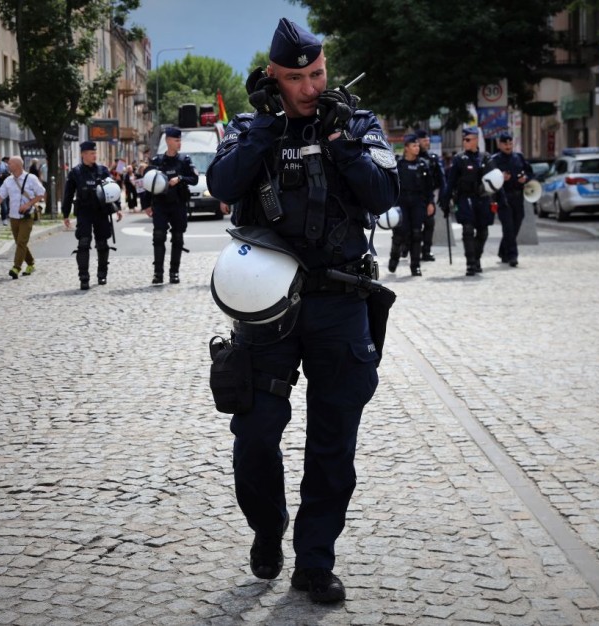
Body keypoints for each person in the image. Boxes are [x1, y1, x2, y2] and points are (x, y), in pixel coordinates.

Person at [205, 18, 399, 604]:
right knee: (256, 433)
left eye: (318, 73)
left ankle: (315, 562)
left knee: (333, 442)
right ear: (274, 78)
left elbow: (386, 196)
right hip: (268, 307)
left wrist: (340, 144)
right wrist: (267, 126)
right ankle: (268, 528)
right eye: (298, 78)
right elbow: (223, 180)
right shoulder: (248, 125)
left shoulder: (357, 122)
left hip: (340, 300)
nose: (312, 86)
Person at [61, 141, 123, 290]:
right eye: (91, 153)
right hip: (84, 212)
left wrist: (118, 208)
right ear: (83, 154)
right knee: (83, 243)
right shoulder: (75, 172)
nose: (94, 155)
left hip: (101, 211)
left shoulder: (103, 171)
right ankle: (84, 277)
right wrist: (65, 214)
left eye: (95, 153)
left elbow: (112, 190)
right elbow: (68, 194)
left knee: (102, 244)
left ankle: (102, 274)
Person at [441, 126, 502, 276]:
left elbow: (495, 180)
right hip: (465, 198)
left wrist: (500, 199)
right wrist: (445, 201)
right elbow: (451, 182)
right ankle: (470, 263)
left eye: (468, 139)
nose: (465, 142)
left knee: (483, 232)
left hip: (482, 199)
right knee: (467, 230)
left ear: (476, 140)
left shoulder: (486, 157)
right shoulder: (459, 159)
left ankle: (477, 258)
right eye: (464, 139)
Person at [143, 127, 199, 284]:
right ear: (168, 141)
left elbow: (194, 179)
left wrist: (180, 178)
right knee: (158, 237)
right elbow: (147, 184)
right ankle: (158, 273)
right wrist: (146, 204)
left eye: (180, 140)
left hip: (178, 204)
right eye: (176, 140)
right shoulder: (157, 162)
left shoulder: (184, 161)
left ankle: (174, 272)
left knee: (178, 238)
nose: (179, 143)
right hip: (160, 204)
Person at [0, 156, 45, 279]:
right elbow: (1, 195)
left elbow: (41, 193)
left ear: (18, 165)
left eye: (10, 164)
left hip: (27, 216)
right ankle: (31, 263)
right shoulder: (8, 180)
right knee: (20, 242)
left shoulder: (31, 178)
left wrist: (28, 204)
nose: (8, 165)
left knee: (21, 242)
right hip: (13, 216)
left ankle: (16, 267)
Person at [388, 133, 433, 276]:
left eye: (418, 145)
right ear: (406, 148)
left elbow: (429, 187)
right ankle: (394, 258)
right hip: (401, 203)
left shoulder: (422, 165)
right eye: (414, 145)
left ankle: (415, 265)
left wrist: (430, 202)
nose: (417, 148)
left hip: (417, 203)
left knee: (416, 234)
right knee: (400, 234)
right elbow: (391, 185)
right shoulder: (398, 164)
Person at [490, 131, 533, 266]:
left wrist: (525, 178)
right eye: (505, 144)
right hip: (503, 198)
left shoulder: (519, 157)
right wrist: (500, 178)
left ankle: (503, 251)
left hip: (518, 197)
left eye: (510, 143)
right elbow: (489, 179)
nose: (508, 146)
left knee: (516, 226)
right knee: (508, 227)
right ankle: (512, 256)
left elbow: (530, 172)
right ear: (500, 145)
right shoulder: (495, 160)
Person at [415, 129, 444, 262]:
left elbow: (441, 178)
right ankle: (407, 247)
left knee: (429, 224)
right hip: (413, 197)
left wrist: (443, 194)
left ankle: (426, 251)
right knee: (412, 226)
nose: (427, 142)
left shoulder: (432, 159)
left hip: (427, 197)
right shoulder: (410, 158)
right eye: (424, 140)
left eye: (428, 140)